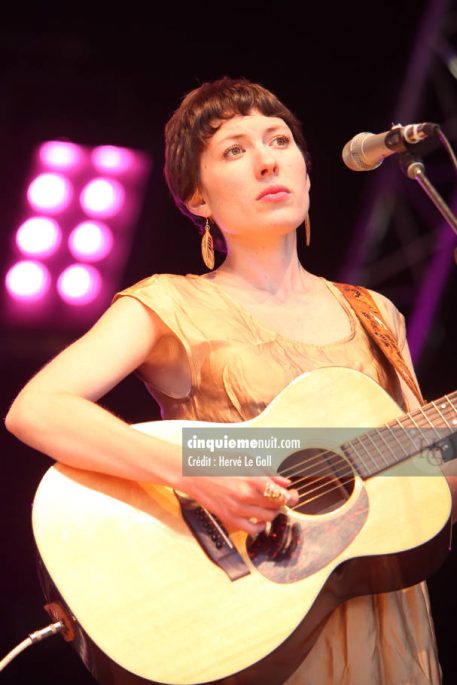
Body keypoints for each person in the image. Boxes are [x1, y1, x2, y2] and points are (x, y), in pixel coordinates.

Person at [5, 77, 455, 684]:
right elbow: (38, 408)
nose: (268, 158)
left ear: (306, 174)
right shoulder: (169, 302)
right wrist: (197, 468)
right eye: (235, 150)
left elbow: (425, 471)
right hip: (251, 609)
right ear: (197, 198)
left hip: (379, 616)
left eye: (279, 140)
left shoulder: (374, 312)